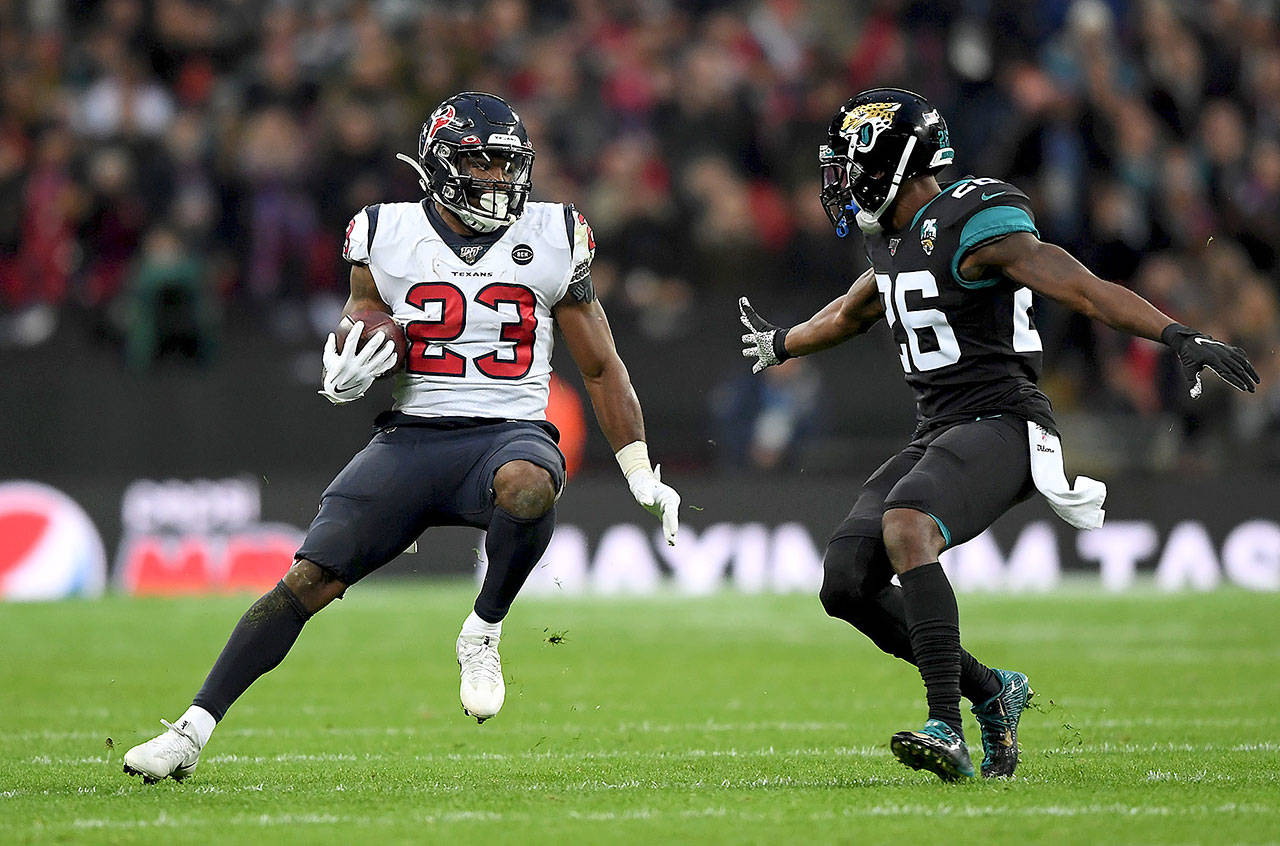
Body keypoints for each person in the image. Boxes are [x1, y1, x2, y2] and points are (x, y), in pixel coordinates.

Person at [124, 92, 681, 783]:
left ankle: (483, 628)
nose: (502, 181)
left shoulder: (555, 232)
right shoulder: (382, 232)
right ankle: (190, 731)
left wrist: (638, 470)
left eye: (510, 166)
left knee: (529, 485)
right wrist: (351, 365)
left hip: (510, 430)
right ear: (443, 166)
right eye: (484, 165)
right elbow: (362, 316)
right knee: (306, 582)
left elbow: (600, 365)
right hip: (410, 438)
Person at [739, 88, 1258, 781]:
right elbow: (859, 305)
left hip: (1006, 423)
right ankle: (992, 692)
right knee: (845, 583)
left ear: (894, 162)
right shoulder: (891, 236)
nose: (839, 180)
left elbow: (1080, 286)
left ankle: (946, 727)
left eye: (850, 164)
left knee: (906, 524)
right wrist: (785, 342)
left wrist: (1173, 332)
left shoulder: (973, 221)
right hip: (940, 431)